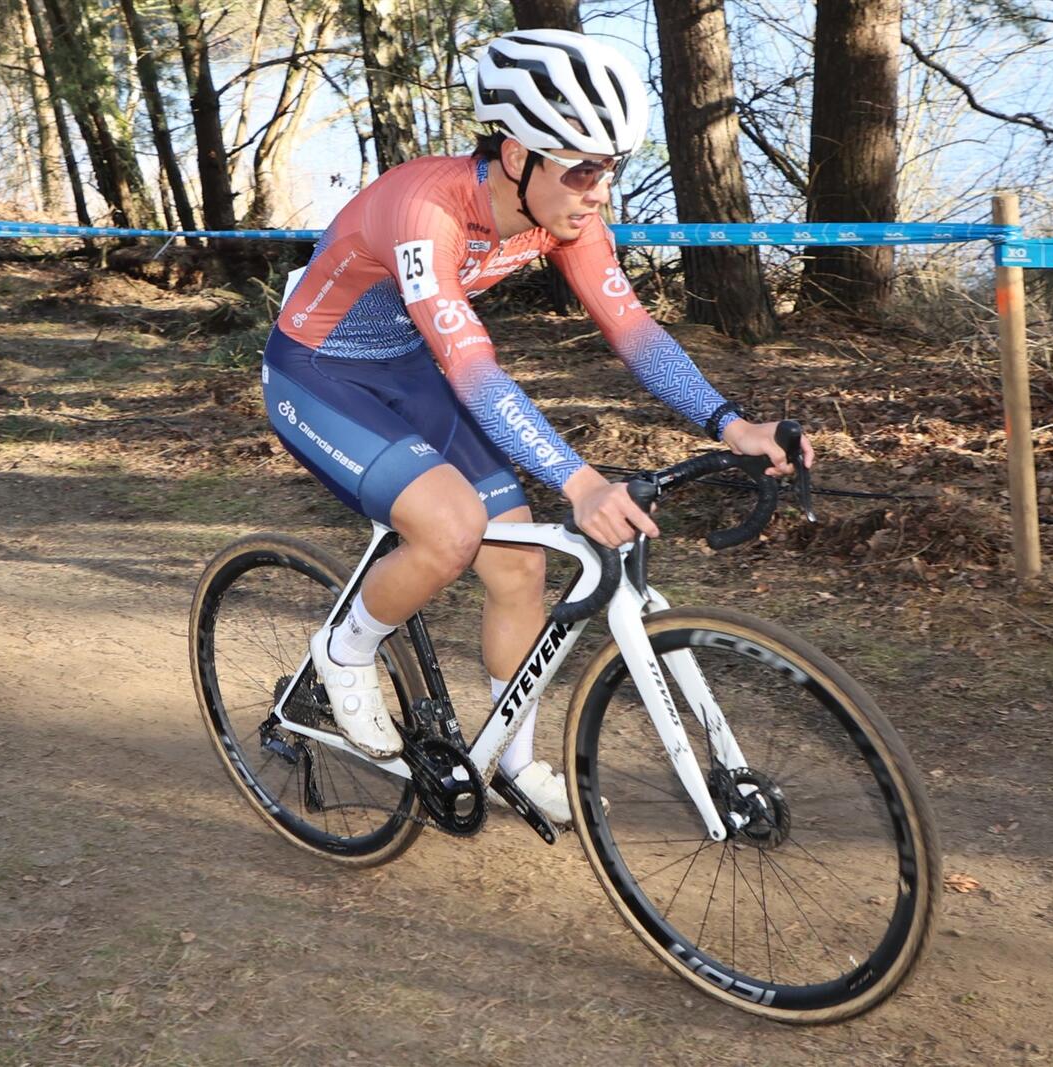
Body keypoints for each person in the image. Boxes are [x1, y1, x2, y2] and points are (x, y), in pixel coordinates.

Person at [260, 29, 813, 825]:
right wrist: (579, 482)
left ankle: (510, 763)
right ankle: (344, 652)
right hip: (318, 374)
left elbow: (634, 332)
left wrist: (731, 423)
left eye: (611, 169)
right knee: (450, 530)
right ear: (518, 154)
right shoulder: (425, 210)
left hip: (409, 371)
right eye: (583, 169)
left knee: (519, 565)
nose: (600, 192)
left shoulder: (564, 217)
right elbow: (473, 370)